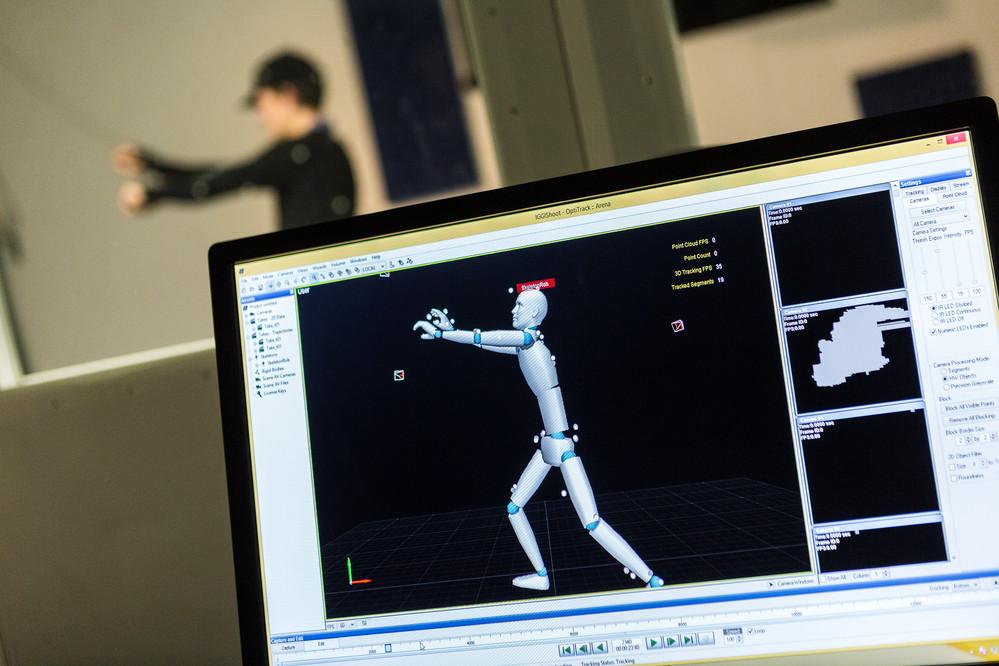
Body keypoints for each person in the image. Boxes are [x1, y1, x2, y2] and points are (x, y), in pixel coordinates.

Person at [412, 289, 666, 591]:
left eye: (520, 305)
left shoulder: (528, 340)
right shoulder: (526, 347)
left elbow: (484, 337)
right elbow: (486, 344)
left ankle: (650, 578)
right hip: (549, 446)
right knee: (514, 508)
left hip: (561, 447)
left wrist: (443, 334)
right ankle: (542, 576)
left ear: (533, 313)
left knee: (592, 522)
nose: (514, 309)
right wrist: (451, 333)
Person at [113, 51, 355, 230]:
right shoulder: (327, 150)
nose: (260, 118)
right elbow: (230, 174)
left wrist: (155, 193)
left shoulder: (301, 153)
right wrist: (153, 166)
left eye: (260, 102)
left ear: (287, 95)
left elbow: (225, 180)